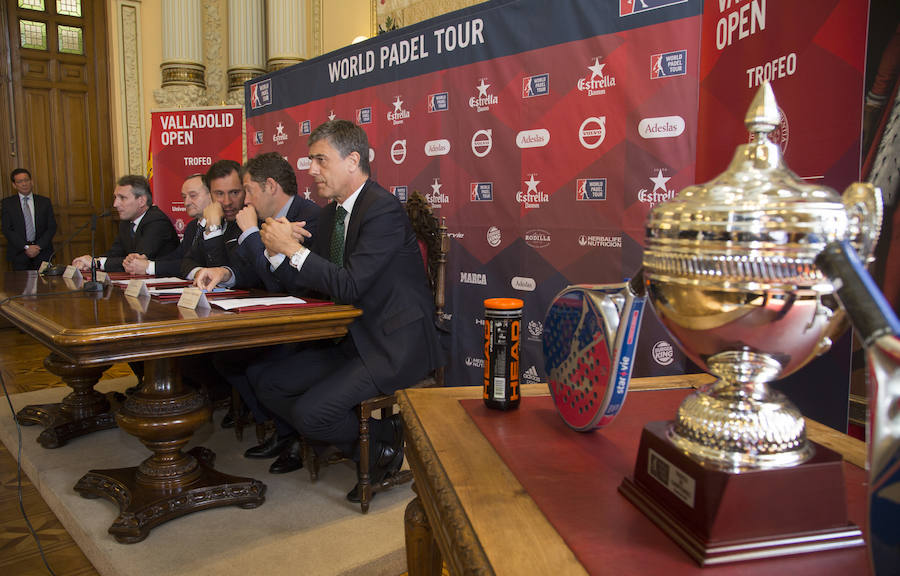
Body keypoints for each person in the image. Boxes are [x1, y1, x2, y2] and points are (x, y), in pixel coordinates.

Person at [232, 120, 442, 501]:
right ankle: (370, 439)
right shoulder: (330, 216)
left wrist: (294, 252)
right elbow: (308, 284)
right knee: (268, 383)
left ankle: (379, 446)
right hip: (349, 337)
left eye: (320, 160)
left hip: (393, 341)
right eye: (311, 160)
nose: (311, 171)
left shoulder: (383, 210)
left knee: (313, 414)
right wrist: (279, 253)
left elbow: (349, 285)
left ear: (353, 160)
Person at [194, 153, 321, 474]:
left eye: (247, 191)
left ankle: (298, 436)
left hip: (311, 322)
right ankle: (283, 429)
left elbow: (289, 281)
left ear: (270, 186)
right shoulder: (266, 219)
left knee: (263, 368)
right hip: (278, 315)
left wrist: (251, 234)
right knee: (228, 359)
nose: (243, 199)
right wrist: (225, 273)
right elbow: (252, 272)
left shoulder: (311, 217)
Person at [72, 175, 179, 273]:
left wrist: (97, 263)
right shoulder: (126, 222)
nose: (115, 204)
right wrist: (91, 263)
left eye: (122, 198)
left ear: (141, 201)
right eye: (115, 198)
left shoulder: (157, 221)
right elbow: (115, 254)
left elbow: (136, 261)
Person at [122, 173, 211, 276]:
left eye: (193, 196)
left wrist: (149, 267)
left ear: (211, 195)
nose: (186, 202)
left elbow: (194, 264)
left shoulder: (218, 226)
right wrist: (146, 261)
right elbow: (177, 256)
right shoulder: (193, 226)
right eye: (184, 197)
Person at [2, 168, 57, 270]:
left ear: (31, 182)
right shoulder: (7, 204)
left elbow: (51, 227)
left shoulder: (44, 202)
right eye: (20, 181)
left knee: (44, 284)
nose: (24, 184)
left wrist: (38, 246)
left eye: (26, 180)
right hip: (19, 253)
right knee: (20, 285)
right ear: (14, 185)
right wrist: (26, 247)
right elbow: (7, 229)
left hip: (42, 252)